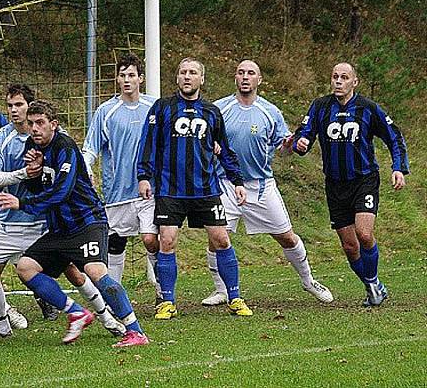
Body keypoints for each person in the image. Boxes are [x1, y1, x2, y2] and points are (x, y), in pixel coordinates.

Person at [0, 100, 149, 347]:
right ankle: (76, 312)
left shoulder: (65, 147)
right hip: (60, 228)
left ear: (53, 124)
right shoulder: (32, 146)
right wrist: (32, 174)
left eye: (40, 123)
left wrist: (22, 203)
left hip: (86, 222)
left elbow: (61, 192)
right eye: (31, 123)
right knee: (25, 267)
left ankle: (135, 331)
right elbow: (39, 185)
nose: (35, 128)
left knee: (96, 272)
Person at [200, 60, 333, 306]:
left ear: (259, 80)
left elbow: (284, 145)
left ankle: (308, 280)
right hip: (224, 184)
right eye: (241, 72)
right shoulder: (219, 109)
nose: (245, 77)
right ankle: (221, 290)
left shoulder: (270, 112)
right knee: (217, 237)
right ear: (235, 78)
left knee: (287, 237)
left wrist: (295, 144)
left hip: (260, 186)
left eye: (250, 73)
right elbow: (202, 139)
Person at [137, 57, 253, 320]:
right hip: (170, 189)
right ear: (177, 78)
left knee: (222, 240)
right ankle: (167, 302)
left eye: (192, 73)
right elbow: (148, 145)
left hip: (205, 188)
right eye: (182, 72)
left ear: (202, 79)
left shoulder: (212, 112)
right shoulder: (162, 108)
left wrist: (237, 181)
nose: (187, 77)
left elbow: (224, 149)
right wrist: (144, 176)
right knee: (166, 242)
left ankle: (234, 297)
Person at [292, 62, 408, 307]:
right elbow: (303, 133)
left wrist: (398, 167)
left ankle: (374, 281)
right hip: (335, 185)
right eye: (335, 76)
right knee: (349, 245)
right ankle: (372, 287)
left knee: (364, 234)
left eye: (344, 77)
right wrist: (300, 143)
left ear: (354, 82)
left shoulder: (368, 108)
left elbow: (393, 136)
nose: (338, 81)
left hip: (364, 180)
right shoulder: (320, 107)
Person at [82, 53, 162, 303]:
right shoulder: (106, 111)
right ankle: (114, 298)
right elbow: (90, 148)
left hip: (149, 190)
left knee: (151, 240)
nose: (126, 80)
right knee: (116, 243)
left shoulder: (155, 107)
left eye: (131, 75)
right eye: (122, 75)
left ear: (140, 78)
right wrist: (86, 171)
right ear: (117, 79)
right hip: (116, 191)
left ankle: (164, 295)